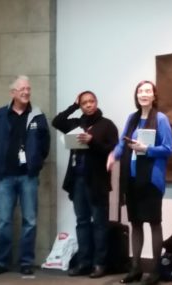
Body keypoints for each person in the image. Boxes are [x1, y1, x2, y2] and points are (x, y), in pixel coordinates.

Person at [107, 81, 172, 285]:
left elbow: (168, 148)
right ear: (136, 96)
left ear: (154, 95)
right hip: (132, 178)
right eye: (140, 91)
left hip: (152, 180)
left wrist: (147, 149)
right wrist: (114, 155)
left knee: (154, 223)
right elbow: (122, 143)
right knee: (135, 223)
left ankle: (154, 270)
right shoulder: (132, 118)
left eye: (148, 91)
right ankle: (135, 268)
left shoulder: (161, 119)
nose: (143, 94)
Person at [0, 75, 50, 275]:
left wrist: (36, 162)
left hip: (28, 177)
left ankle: (26, 262)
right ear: (13, 93)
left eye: (28, 89)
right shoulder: (0, 115)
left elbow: (44, 144)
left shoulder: (38, 115)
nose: (26, 92)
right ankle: (1, 261)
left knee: (30, 220)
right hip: (5, 176)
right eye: (22, 89)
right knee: (3, 220)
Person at [52, 91, 118, 278]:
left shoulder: (107, 125)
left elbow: (112, 150)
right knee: (82, 223)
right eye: (84, 103)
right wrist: (72, 105)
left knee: (99, 223)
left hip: (97, 182)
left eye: (91, 101)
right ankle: (84, 262)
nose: (88, 105)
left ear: (96, 102)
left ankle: (99, 264)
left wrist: (92, 141)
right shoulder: (76, 124)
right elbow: (56, 121)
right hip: (77, 180)